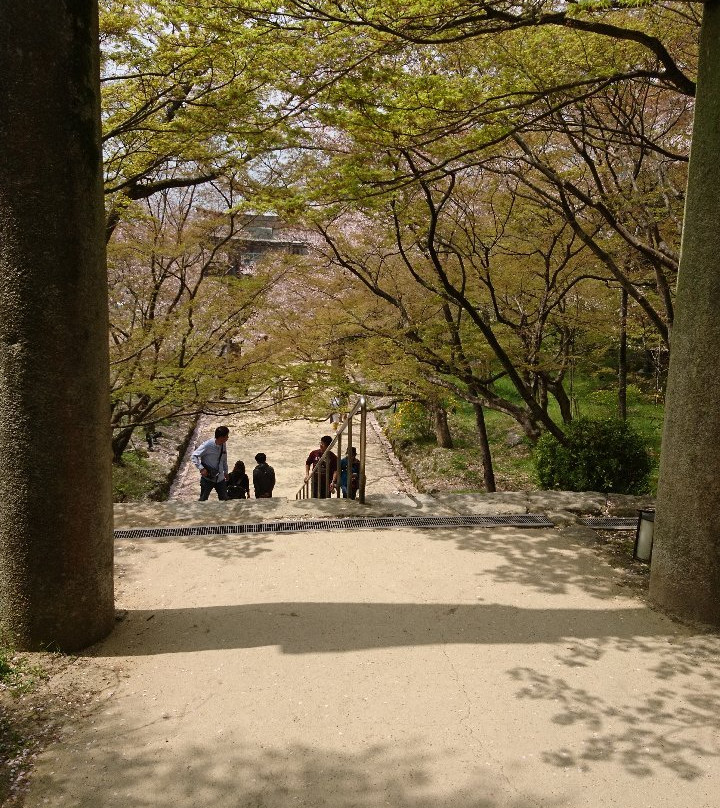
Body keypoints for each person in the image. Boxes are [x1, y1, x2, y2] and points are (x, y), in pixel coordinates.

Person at [191, 426, 230, 501]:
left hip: (220, 478)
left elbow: (224, 459)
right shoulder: (207, 445)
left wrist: (226, 472)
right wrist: (201, 468)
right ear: (221, 437)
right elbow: (194, 456)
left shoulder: (223, 444)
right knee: (203, 500)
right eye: (226, 436)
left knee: (225, 500)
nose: (228, 438)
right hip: (208, 478)